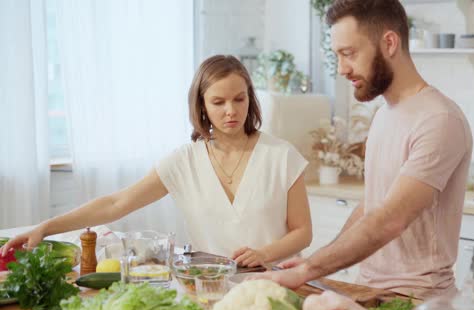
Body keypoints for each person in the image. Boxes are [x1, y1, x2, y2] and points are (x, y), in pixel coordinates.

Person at [0, 55, 312, 268]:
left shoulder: (281, 155)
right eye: (218, 102)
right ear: (202, 106)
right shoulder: (184, 161)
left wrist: (263, 254)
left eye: (239, 99)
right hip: (208, 289)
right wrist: (46, 227)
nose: (231, 110)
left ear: (250, 99)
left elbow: (302, 231)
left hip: (277, 281)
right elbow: (116, 203)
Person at [259, 0, 473, 299]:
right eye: (338, 56)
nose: (343, 69)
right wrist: (314, 260)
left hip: (416, 302)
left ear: (389, 43)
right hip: (369, 289)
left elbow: (389, 219)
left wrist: (308, 271)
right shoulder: (385, 113)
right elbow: (370, 208)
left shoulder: (439, 119)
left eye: (349, 53)